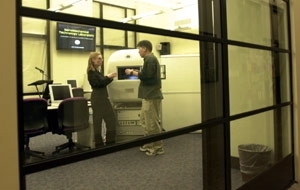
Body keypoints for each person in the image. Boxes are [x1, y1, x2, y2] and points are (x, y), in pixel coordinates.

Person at [125, 40, 164, 156]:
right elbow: (148, 74)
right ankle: (149, 144)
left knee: (152, 123)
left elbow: (147, 76)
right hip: (148, 95)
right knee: (145, 121)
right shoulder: (149, 60)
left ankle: (157, 147)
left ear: (145, 49)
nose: (138, 51)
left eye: (139, 49)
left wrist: (133, 72)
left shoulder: (151, 59)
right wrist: (139, 72)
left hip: (151, 96)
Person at [87, 52, 117, 147]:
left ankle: (110, 142)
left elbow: (102, 82)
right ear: (93, 60)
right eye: (99, 58)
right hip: (98, 99)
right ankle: (99, 144)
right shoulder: (91, 73)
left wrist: (109, 78)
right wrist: (108, 77)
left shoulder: (97, 72)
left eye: (101, 58)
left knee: (111, 120)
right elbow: (97, 84)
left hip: (103, 99)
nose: (101, 60)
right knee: (98, 122)